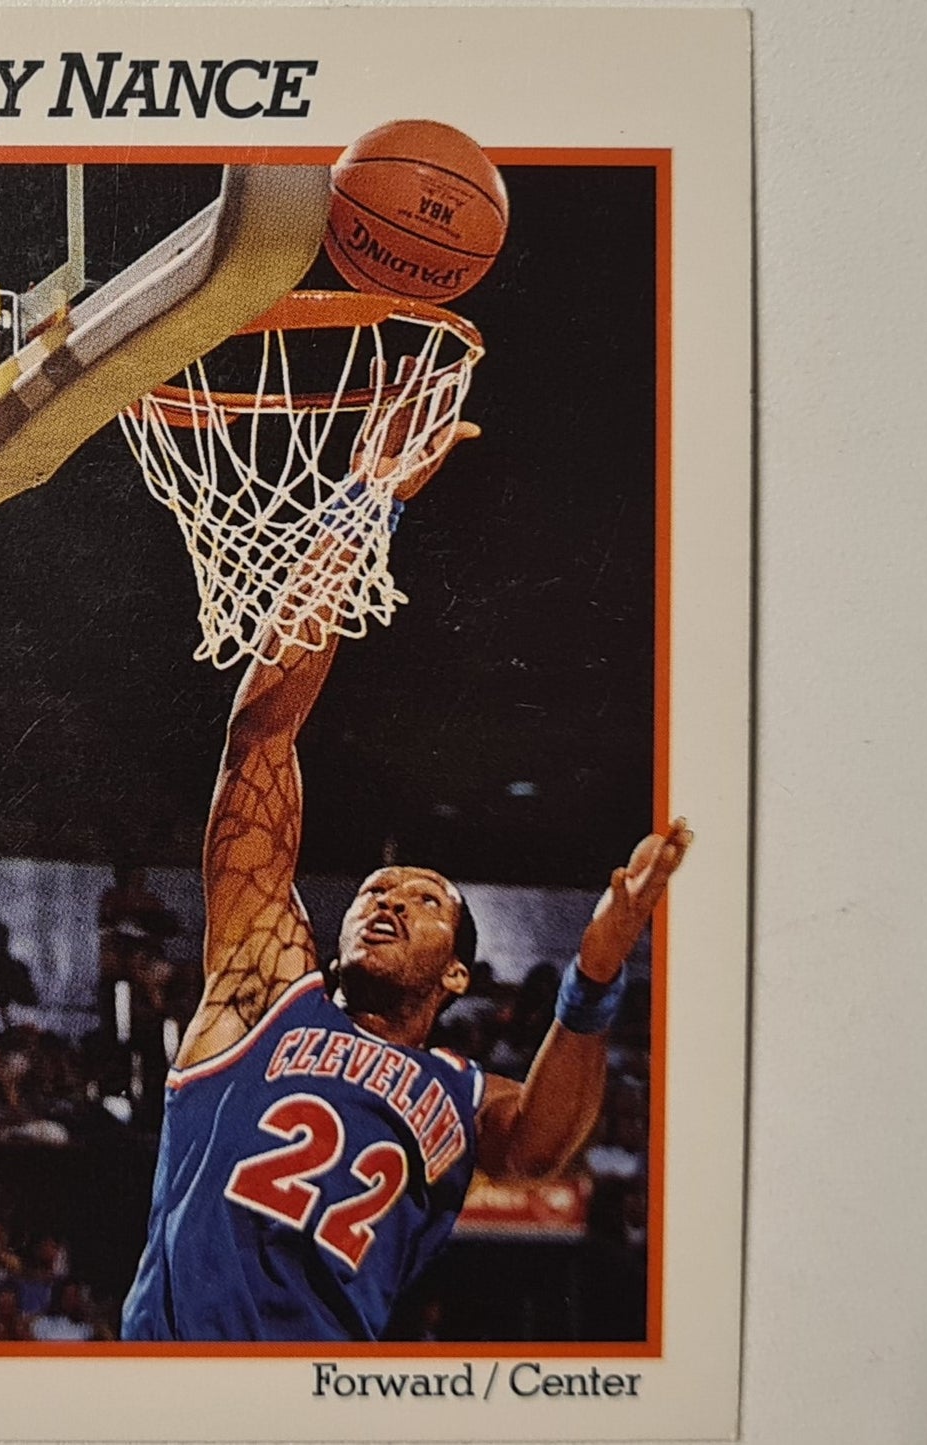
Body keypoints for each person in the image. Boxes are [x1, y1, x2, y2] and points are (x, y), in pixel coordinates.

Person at [120, 392, 691, 1342]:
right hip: (177, 1375)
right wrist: (363, 504)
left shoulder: (460, 1094)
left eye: (423, 900)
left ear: (457, 972)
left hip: (323, 1385)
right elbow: (261, 737)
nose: (385, 901)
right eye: (375, 891)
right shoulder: (268, 989)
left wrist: (595, 973)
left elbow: (538, 1149)